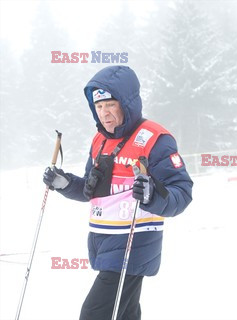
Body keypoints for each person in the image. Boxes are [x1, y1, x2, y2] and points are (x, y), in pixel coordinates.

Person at [43, 65, 193, 319]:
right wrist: (64, 183)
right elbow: (92, 190)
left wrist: (152, 196)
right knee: (124, 314)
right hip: (104, 243)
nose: (104, 114)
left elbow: (182, 192)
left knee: (94, 313)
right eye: (99, 107)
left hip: (134, 244)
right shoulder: (99, 140)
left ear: (127, 102)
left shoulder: (155, 138)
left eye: (110, 104)